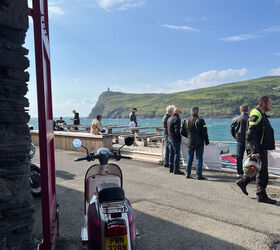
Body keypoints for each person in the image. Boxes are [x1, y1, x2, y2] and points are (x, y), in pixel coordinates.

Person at [236, 96, 277, 204]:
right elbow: (250, 133)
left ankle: (243, 182)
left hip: (260, 147)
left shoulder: (260, 114)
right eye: (269, 103)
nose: (271, 105)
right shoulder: (256, 114)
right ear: (263, 103)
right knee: (263, 174)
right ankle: (261, 195)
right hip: (258, 148)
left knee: (257, 169)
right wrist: (254, 151)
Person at [181, 106, 209, 180]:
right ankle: (198, 175)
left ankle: (187, 173)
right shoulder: (201, 120)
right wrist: (206, 141)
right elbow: (204, 132)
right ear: (198, 112)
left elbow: (182, 132)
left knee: (190, 157)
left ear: (191, 112)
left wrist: (188, 137)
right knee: (199, 158)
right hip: (199, 143)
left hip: (190, 142)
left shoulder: (186, 121)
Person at [230, 104, 249, 177]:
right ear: (247, 110)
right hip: (249, 140)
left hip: (239, 139)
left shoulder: (237, 118)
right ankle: (249, 172)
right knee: (250, 156)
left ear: (241, 110)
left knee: (239, 157)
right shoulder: (250, 118)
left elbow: (232, 128)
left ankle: (239, 173)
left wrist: (235, 136)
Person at [167, 108, 184, 175]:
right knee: (177, 154)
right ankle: (176, 169)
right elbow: (177, 130)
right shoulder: (177, 119)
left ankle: (171, 168)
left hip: (170, 138)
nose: (180, 113)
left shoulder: (169, 118)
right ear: (178, 112)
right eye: (180, 112)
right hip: (175, 139)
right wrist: (179, 138)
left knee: (172, 153)